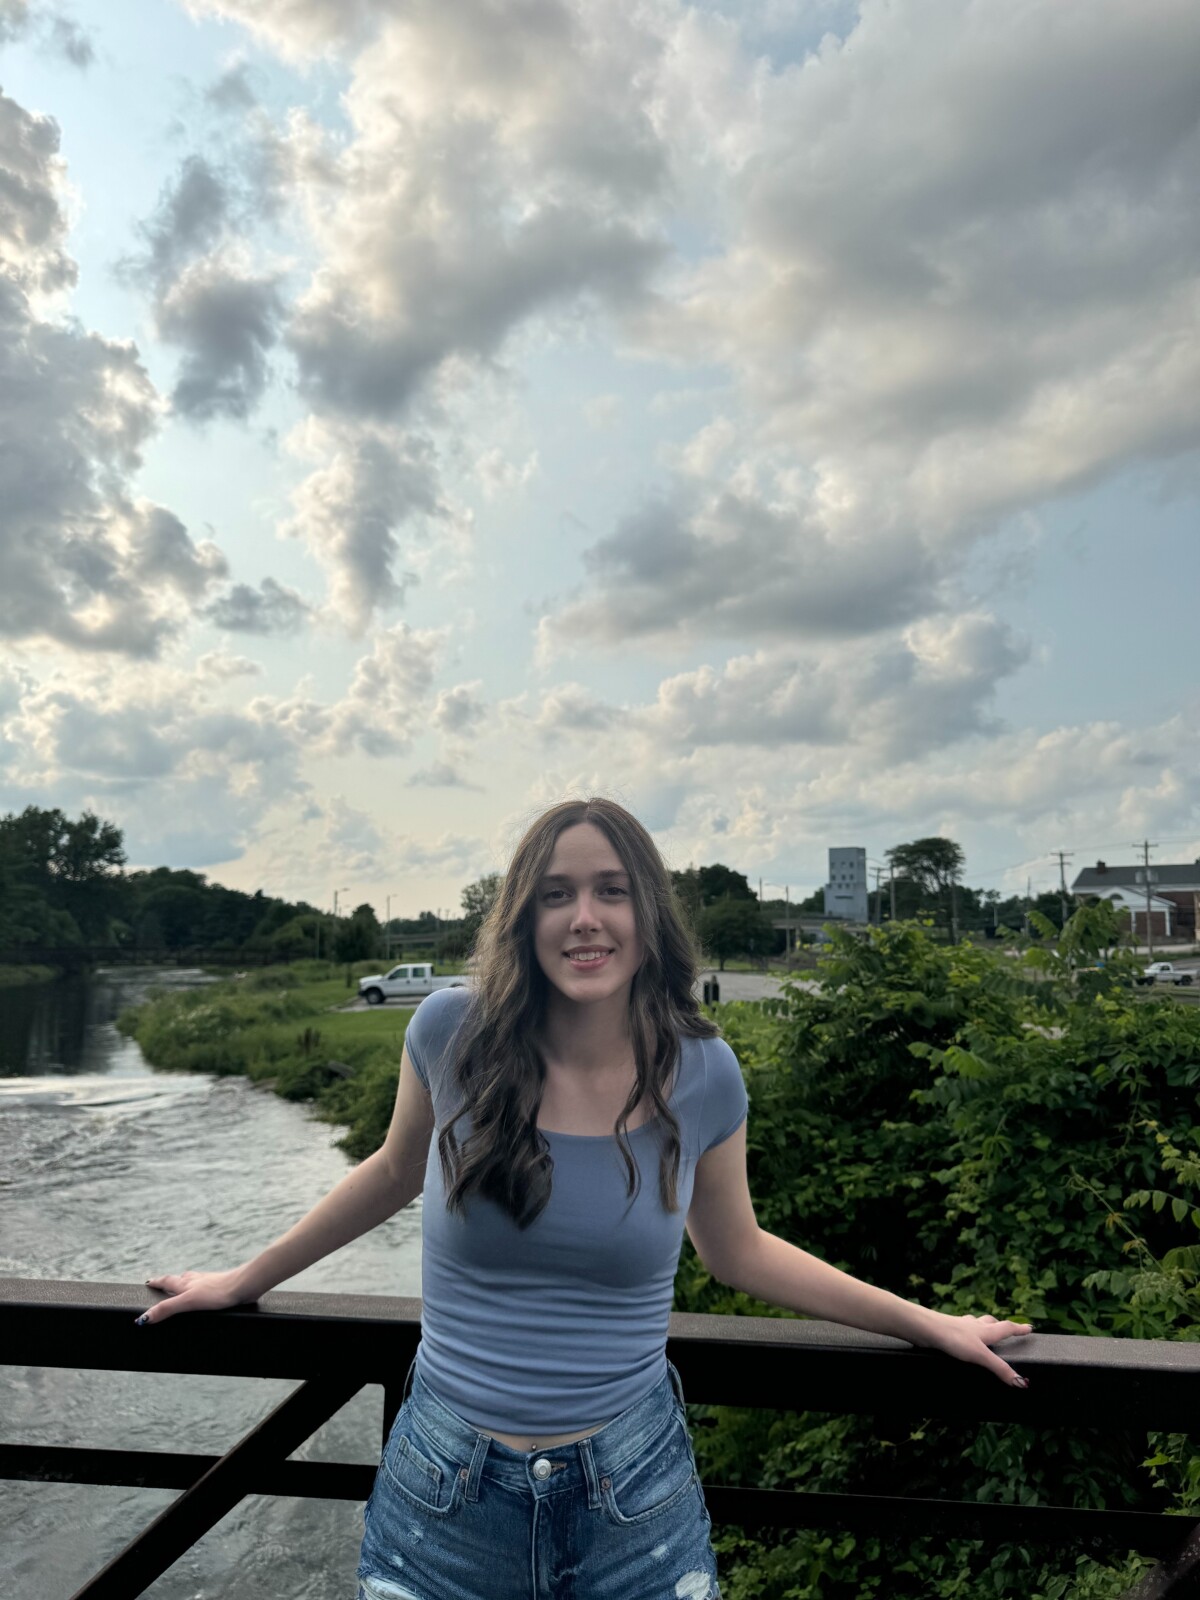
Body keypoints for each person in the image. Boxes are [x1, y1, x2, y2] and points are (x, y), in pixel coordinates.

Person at [138, 796, 1032, 1599]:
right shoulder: (451, 1033)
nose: (585, 918)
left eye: (612, 891)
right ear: (523, 917)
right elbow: (391, 1172)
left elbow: (740, 1250)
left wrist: (928, 1324)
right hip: (445, 1490)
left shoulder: (704, 1072)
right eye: (556, 894)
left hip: (632, 1495)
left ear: (650, 915)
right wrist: (242, 1281)